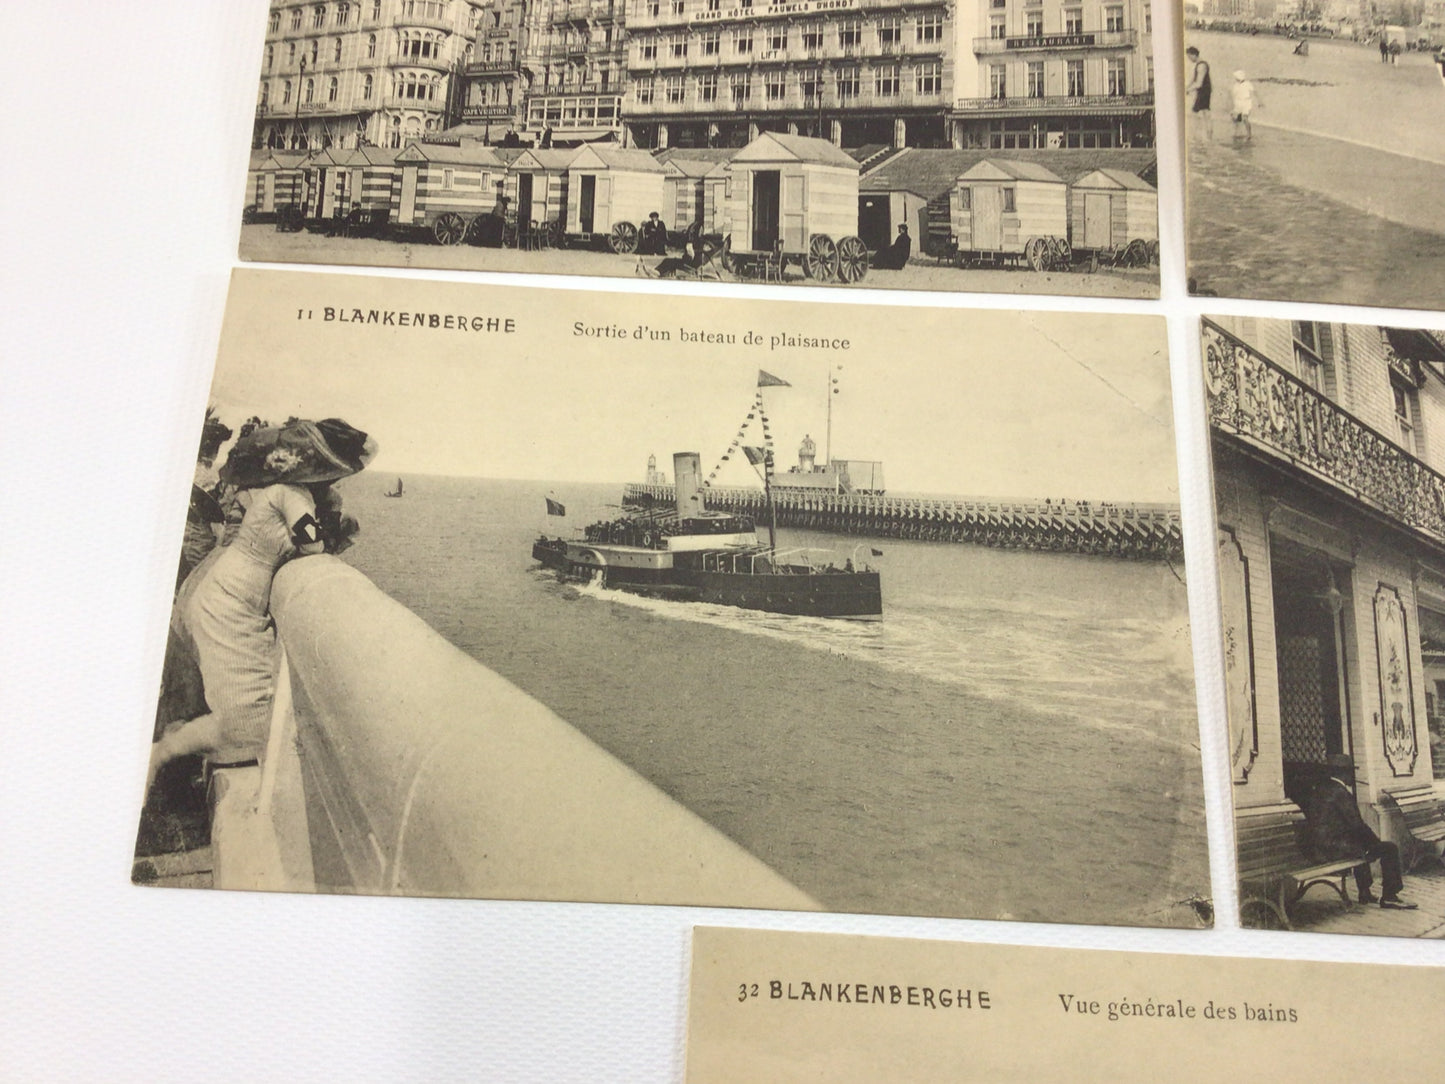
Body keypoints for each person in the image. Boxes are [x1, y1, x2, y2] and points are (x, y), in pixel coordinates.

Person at [147, 418, 375, 792]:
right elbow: (312, 544)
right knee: (247, 720)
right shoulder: (293, 496)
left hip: (225, 591)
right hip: (229, 602)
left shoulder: (275, 492)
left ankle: (173, 744)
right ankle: (164, 752)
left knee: (244, 708)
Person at [1303, 754, 1418, 909]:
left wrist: (1369, 843)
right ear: (1344, 773)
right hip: (1332, 849)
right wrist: (1376, 843)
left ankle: (1365, 892)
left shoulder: (1322, 789)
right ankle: (1390, 896)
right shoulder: (1340, 793)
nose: (1353, 776)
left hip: (1320, 846)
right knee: (1389, 849)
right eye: (1351, 772)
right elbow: (1357, 825)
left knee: (1359, 845)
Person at [1185, 46, 1213, 140]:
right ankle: (1207, 137)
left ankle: (1197, 136)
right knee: (1205, 113)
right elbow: (1193, 81)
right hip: (1203, 91)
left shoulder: (1201, 65)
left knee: (1196, 113)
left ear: (1194, 55)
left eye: (1189, 57)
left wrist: (1188, 90)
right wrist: (1186, 88)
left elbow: (1199, 83)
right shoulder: (1199, 65)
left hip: (1204, 91)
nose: (1189, 59)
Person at [1230, 70, 1261, 143]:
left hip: (1246, 102)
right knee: (1235, 117)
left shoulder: (1248, 84)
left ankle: (1249, 134)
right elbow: (1234, 95)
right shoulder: (1236, 85)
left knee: (1245, 118)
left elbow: (1254, 92)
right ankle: (1237, 132)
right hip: (1238, 102)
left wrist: (1259, 101)